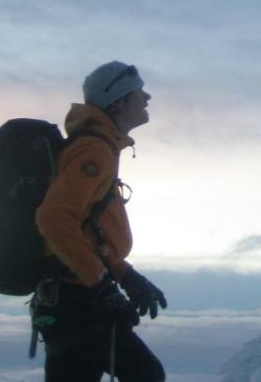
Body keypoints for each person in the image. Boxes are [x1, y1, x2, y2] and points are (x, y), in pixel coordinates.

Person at [32, 61, 168, 381]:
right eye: (138, 92)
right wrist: (103, 285)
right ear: (119, 101)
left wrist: (125, 275)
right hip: (78, 299)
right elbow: (54, 220)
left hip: (74, 297)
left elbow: (89, 231)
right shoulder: (94, 151)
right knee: (146, 375)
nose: (146, 97)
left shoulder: (100, 146)